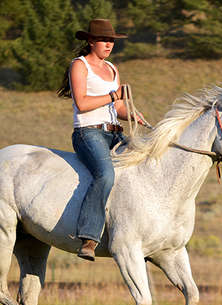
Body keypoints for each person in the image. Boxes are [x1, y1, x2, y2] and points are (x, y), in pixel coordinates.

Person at [57, 19, 146, 261]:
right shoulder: (79, 65)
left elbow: (117, 106)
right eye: (105, 40)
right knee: (105, 174)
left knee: (144, 164)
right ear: (91, 41)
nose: (109, 44)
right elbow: (82, 104)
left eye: (112, 41)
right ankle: (88, 238)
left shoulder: (112, 69)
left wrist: (132, 114)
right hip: (88, 133)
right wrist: (112, 95)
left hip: (115, 132)